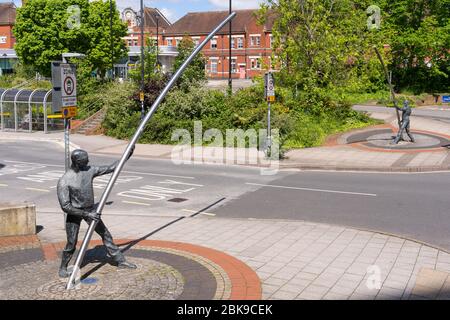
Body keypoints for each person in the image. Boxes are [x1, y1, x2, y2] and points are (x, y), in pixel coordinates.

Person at [57, 148, 136, 278]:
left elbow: (111, 168)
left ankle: (121, 261)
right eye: (85, 159)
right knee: (71, 243)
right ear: (77, 162)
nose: (88, 161)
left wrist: (128, 154)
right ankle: (63, 268)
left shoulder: (89, 170)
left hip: (90, 209)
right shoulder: (64, 181)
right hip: (74, 214)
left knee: (106, 235)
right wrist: (87, 215)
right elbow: (65, 206)